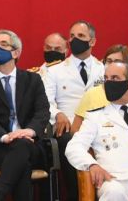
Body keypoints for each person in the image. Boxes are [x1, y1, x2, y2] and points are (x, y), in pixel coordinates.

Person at [0, 29, 50, 201]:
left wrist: (28, 131)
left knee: (21, 146)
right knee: (22, 165)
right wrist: (5, 137)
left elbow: (43, 112)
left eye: (3, 44)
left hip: (29, 143)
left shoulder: (33, 80)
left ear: (16, 52)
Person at [66, 61, 128, 200]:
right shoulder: (95, 117)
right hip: (113, 180)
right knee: (113, 193)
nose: (109, 82)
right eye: (106, 78)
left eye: (115, 78)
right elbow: (74, 147)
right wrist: (91, 164)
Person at [43, 20, 104, 198]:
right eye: (72, 36)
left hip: (98, 125)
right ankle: (77, 195)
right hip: (67, 124)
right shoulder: (54, 70)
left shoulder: (103, 68)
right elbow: (45, 101)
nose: (74, 39)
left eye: (81, 36)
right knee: (69, 142)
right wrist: (58, 114)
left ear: (92, 41)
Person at [73, 45, 128, 132]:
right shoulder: (92, 94)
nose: (112, 65)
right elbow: (75, 128)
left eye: (117, 61)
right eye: (109, 61)